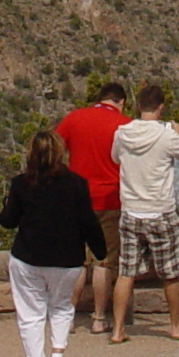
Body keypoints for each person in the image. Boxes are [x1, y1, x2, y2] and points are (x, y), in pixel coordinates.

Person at [0, 129, 107, 357]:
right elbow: (88, 222)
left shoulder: (21, 184)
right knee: (61, 307)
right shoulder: (77, 184)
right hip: (67, 259)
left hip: (28, 257)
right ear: (61, 153)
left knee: (31, 314)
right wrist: (101, 250)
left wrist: (7, 204)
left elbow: (7, 222)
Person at [108, 84, 179, 343]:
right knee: (170, 272)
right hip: (160, 210)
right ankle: (175, 326)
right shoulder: (167, 135)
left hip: (131, 210)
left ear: (138, 106)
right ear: (161, 108)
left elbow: (115, 158)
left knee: (126, 272)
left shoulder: (122, 133)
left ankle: (117, 330)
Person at [56, 82, 130, 336]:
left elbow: (54, 149)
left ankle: (68, 318)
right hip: (110, 198)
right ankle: (98, 318)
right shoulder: (124, 124)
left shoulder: (75, 118)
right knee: (103, 262)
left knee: (76, 261)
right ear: (121, 102)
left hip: (76, 198)